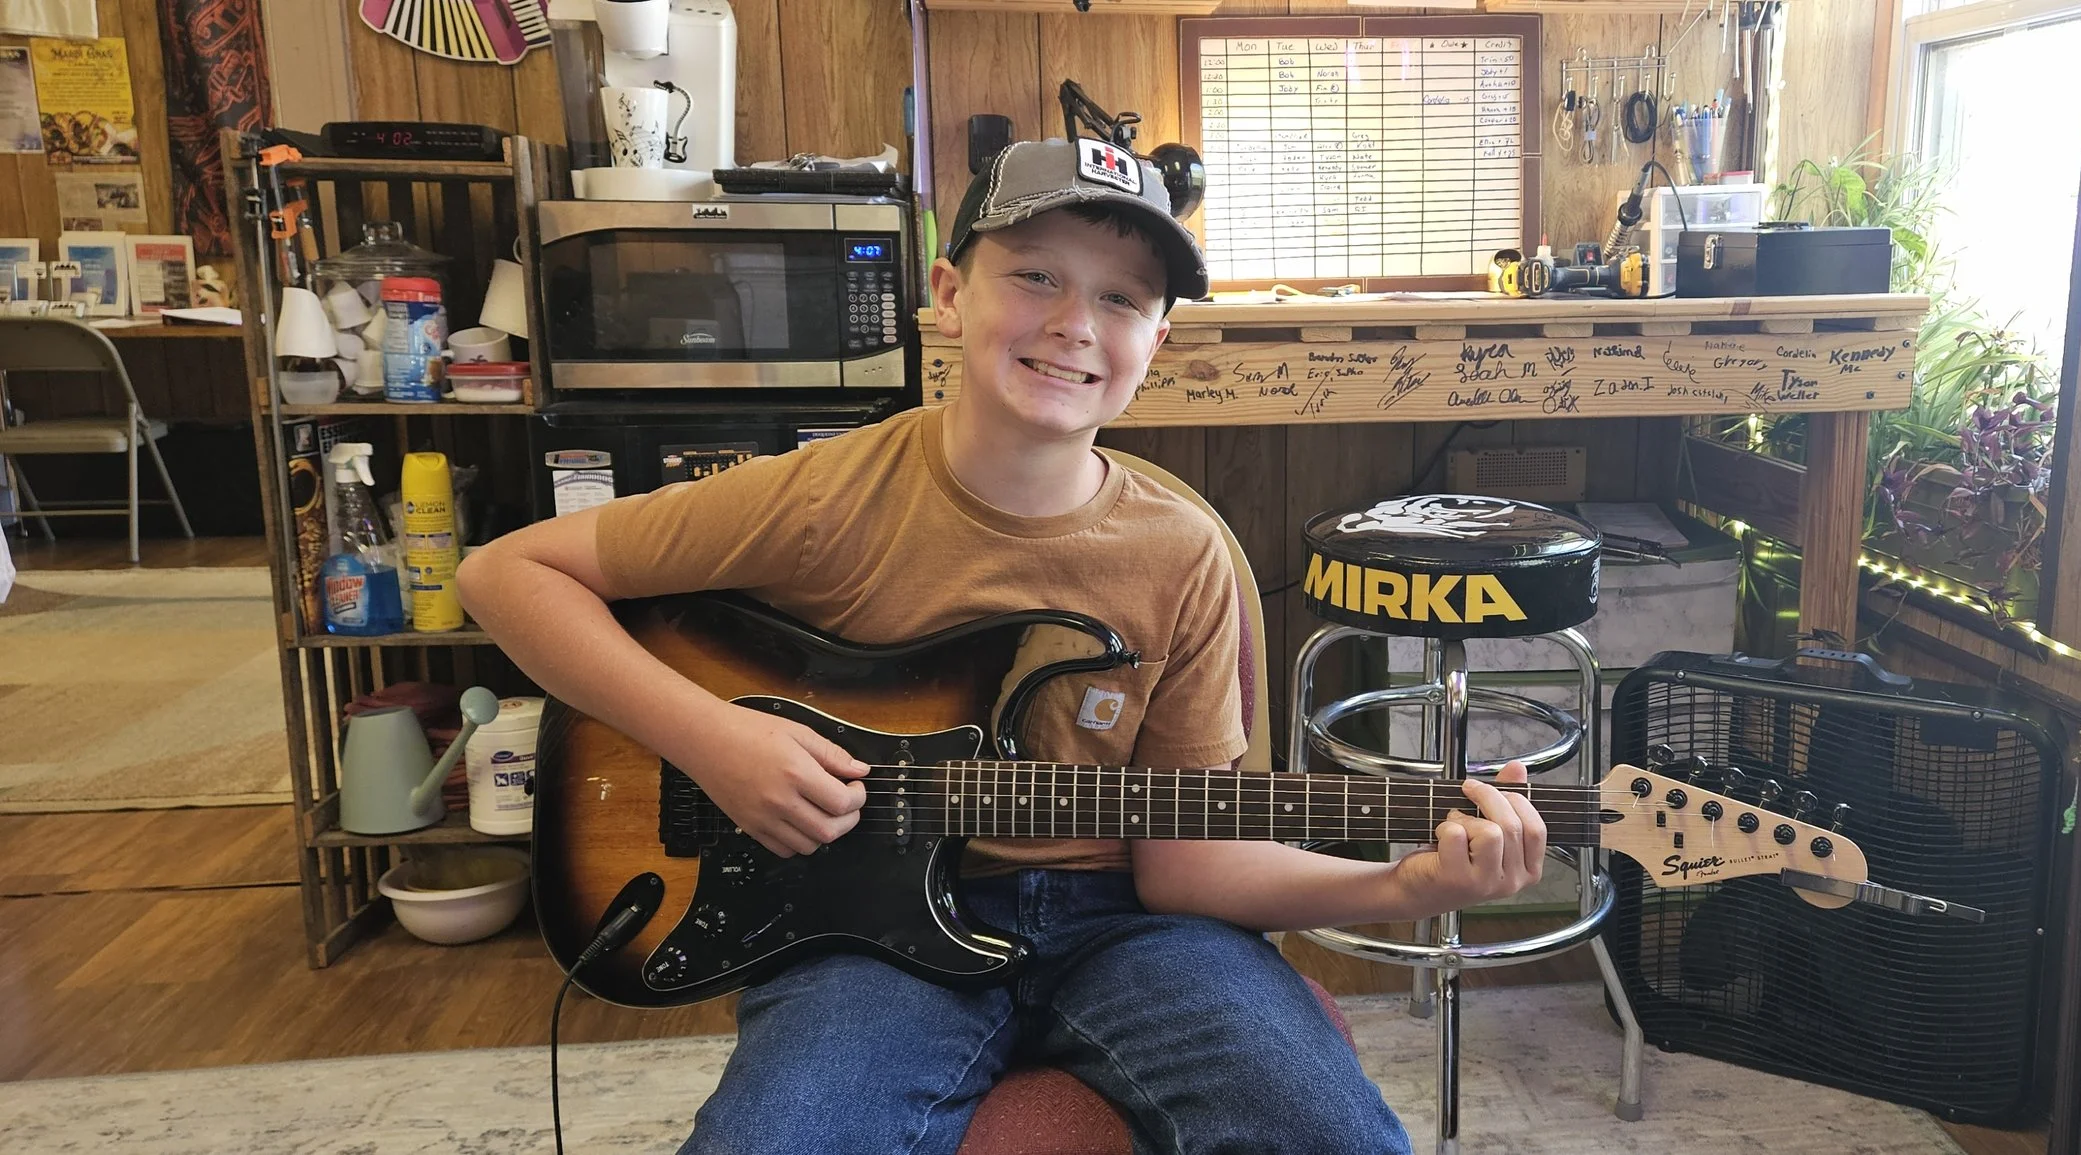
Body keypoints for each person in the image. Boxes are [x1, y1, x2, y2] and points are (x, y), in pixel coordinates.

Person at [458, 137, 1547, 1155]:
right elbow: (503, 575)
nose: (1077, 323)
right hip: (856, 932)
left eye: (1122, 298)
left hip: (1129, 929)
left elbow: (1190, 865)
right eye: (1036, 275)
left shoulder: (1184, 556)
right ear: (945, 294)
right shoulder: (825, 498)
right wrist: (707, 741)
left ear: (1155, 342)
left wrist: (1405, 887)